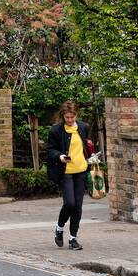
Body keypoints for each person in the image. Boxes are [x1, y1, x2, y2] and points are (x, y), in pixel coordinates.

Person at [45, 101, 99, 250]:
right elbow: (50, 150)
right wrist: (60, 156)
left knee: (78, 207)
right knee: (70, 203)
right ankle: (59, 228)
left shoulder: (83, 127)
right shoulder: (56, 130)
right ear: (63, 116)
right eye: (67, 117)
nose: (69, 120)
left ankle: (73, 239)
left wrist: (92, 156)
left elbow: (87, 146)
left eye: (72, 117)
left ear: (76, 115)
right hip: (66, 172)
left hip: (81, 170)